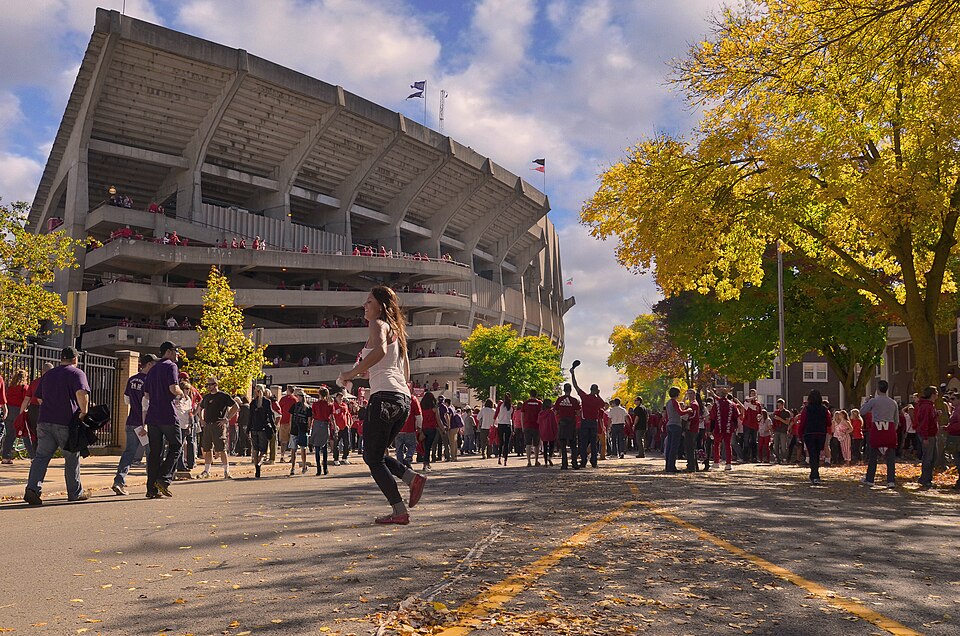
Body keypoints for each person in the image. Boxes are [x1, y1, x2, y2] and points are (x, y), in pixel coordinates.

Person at [337, 285, 426, 525]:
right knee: (375, 454)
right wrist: (371, 373)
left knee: (373, 458)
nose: (364, 306)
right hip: (402, 400)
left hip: (384, 398)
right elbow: (402, 371)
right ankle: (411, 479)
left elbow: (379, 352)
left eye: (368, 301)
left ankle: (400, 509)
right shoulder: (398, 332)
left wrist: (351, 373)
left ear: (381, 306)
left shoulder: (377, 324)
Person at [23, 347, 91, 505]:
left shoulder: (48, 375)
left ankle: (32, 489)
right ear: (75, 359)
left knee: (41, 457)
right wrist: (83, 412)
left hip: (45, 421)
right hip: (66, 423)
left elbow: (39, 398)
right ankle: (75, 492)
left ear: (61, 358)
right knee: (71, 458)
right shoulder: (77, 373)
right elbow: (82, 394)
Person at [144, 341, 185, 498]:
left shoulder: (153, 369)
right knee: (176, 445)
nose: (177, 354)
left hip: (152, 415)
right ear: (168, 351)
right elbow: (173, 389)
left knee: (155, 452)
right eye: (176, 351)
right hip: (167, 414)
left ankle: (151, 489)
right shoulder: (171, 366)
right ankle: (163, 479)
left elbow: (146, 395)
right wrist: (181, 393)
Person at [112, 354, 156, 495]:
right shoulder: (149, 381)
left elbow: (126, 400)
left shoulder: (131, 379)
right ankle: (152, 483)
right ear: (148, 365)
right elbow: (147, 404)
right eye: (153, 364)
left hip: (131, 421)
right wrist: (146, 425)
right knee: (151, 454)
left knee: (129, 453)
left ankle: (119, 481)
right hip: (143, 424)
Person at [860, 380, 900, 488]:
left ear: (877, 389)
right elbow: (896, 420)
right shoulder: (893, 402)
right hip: (889, 428)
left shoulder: (873, 401)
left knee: (873, 455)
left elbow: (862, 412)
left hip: (877, 428)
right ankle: (890, 480)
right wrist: (894, 429)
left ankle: (870, 478)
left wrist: (866, 401)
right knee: (890, 457)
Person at [197, 376, 239, 479]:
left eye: (210, 385)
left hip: (218, 425)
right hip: (208, 425)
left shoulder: (223, 396)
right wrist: (201, 419)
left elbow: (236, 406)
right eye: (207, 385)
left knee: (221, 448)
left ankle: (226, 471)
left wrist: (227, 419)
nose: (208, 387)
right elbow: (200, 408)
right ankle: (207, 471)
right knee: (207, 449)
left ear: (215, 385)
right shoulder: (206, 397)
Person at [570, 363, 604, 469]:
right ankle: (594, 462)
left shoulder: (585, 397)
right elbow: (603, 404)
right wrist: (598, 394)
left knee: (583, 443)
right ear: (597, 390)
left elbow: (576, 386)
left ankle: (583, 461)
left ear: (590, 389)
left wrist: (572, 374)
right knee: (593, 443)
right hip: (594, 422)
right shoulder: (597, 400)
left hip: (585, 422)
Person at [797, 389, 829, 484]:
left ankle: (814, 474)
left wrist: (800, 434)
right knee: (817, 453)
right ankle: (815, 474)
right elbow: (828, 422)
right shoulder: (824, 409)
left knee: (812, 454)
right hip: (820, 433)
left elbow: (803, 422)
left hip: (809, 433)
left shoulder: (806, 409)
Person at [914, 385, 940, 488]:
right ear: (933, 394)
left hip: (930, 434)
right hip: (928, 435)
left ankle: (926, 478)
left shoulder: (929, 406)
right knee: (928, 457)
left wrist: (936, 415)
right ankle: (925, 479)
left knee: (933, 457)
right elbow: (924, 422)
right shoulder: (927, 406)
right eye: (936, 392)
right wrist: (925, 437)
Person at [1, 369, 29, 463]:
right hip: (18, 411)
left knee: (9, 435)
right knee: (24, 434)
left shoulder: (10, 387)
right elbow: (27, 400)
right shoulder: (24, 387)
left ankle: (6, 456)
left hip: (9, 410)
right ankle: (33, 455)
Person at [249, 385, 276, 478]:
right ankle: (260, 464)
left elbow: (250, 417)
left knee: (255, 450)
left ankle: (256, 466)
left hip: (254, 429)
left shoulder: (253, 403)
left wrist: (248, 428)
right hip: (263, 429)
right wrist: (274, 427)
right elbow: (270, 416)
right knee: (263, 451)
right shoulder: (267, 402)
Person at [664, 387, 692, 473]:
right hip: (676, 425)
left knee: (669, 446)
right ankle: (672, 467)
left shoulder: (668, 402)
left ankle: (668, 465)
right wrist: (688, 410)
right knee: (674, 446)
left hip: (669, 424)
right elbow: (680, 412)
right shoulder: (674, 402)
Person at [288, 390, 311, 475]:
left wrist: (290, 428)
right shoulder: (307, 407)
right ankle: (304, 466)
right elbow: (309, 420)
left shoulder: (294, 406)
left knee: (293, 449)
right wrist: (308, 428)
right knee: (303, 449)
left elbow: (290, 418)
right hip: (303, 429)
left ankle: (293, 468)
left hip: (294, 429)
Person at [395, 392, 421, 468]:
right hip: (410, 428)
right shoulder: (413, 399)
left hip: (398, 429)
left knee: (399, 448)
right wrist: (419, 426)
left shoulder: (396, 398)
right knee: (412, 445)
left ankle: (400, 466)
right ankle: (408, 458)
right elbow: (418, 415)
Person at [419, 392, 441, 470]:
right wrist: (442, 429)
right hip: (432, 429)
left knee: (425, 446)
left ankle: (425, 462)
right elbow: (438, 420)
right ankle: (426, 463)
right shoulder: (434, 409)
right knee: (429, 446)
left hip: (423, 429)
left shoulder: (421, 408)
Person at [522, 390, 543, 466]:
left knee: (528, 444)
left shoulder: (525, 403)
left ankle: (529, 461)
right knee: (536, 444)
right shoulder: (539, 403)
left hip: (527, 425)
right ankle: (536, 461)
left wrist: (522, 425)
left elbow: (522, 415)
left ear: (529, 394)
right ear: (536, 394)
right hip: (536, 426)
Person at [944, 393, 960, 490]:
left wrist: (948, 428)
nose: (950, 401)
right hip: (955, 436)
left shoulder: (958, 410)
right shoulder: (955, 409)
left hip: (957, 437)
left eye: (953, 399)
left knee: (958, 460)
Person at [278, 386, 298, 463]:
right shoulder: (295, 400)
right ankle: (292, 457)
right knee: (293, 441)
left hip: (284, 422)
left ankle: (282, 456)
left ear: (288, 390)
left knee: (283, 441)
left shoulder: (283, 399)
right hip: (293, 423)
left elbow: (280, 409)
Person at [495, 393, 514, 466]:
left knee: (501, 442)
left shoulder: (500, 405)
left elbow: (496, 413)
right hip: (508, 425)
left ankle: (499, 457)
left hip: (501, 424)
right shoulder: (511, 407)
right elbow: (512, 417)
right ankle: (505, 460)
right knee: (506, 443)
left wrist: (494, 422)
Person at [682, 391, 699, 472]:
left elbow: (694, 416)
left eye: (691, 394)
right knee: (690, 447)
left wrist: (687, 419)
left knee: (690, 448)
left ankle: (691, 467)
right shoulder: (691, 404)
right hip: (690, 428)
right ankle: (694, 465)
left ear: (694, 395)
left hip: (692, 428)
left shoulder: (694, 405)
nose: (689, 395)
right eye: (688, 394)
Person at [538, 398, 558, 466]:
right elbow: (554, 422)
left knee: (545, 446)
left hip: (543, 431)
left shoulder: (541, 413)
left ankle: (545, 461)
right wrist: (556, 431)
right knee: (552, 445)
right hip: (550, 430)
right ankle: (550, 457)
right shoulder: (551, 412)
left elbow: (538, 422)